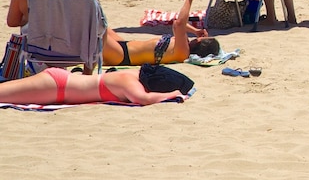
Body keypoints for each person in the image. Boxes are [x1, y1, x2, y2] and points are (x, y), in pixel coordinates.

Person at [103, 0, 219, 66]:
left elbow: (179, 24)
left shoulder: (183, 52)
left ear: (201, 42)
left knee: (90, 26)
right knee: (97, 21)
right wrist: (195, 31)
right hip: (123, 45)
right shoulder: (183, 44)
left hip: (121, 55)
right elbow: (176, 24)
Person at [0, 64, 193, 106]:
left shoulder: (132, 76)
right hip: (56, 85)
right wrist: (173, 94)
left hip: (59, 86)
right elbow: (142, 99)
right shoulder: (128, 80)